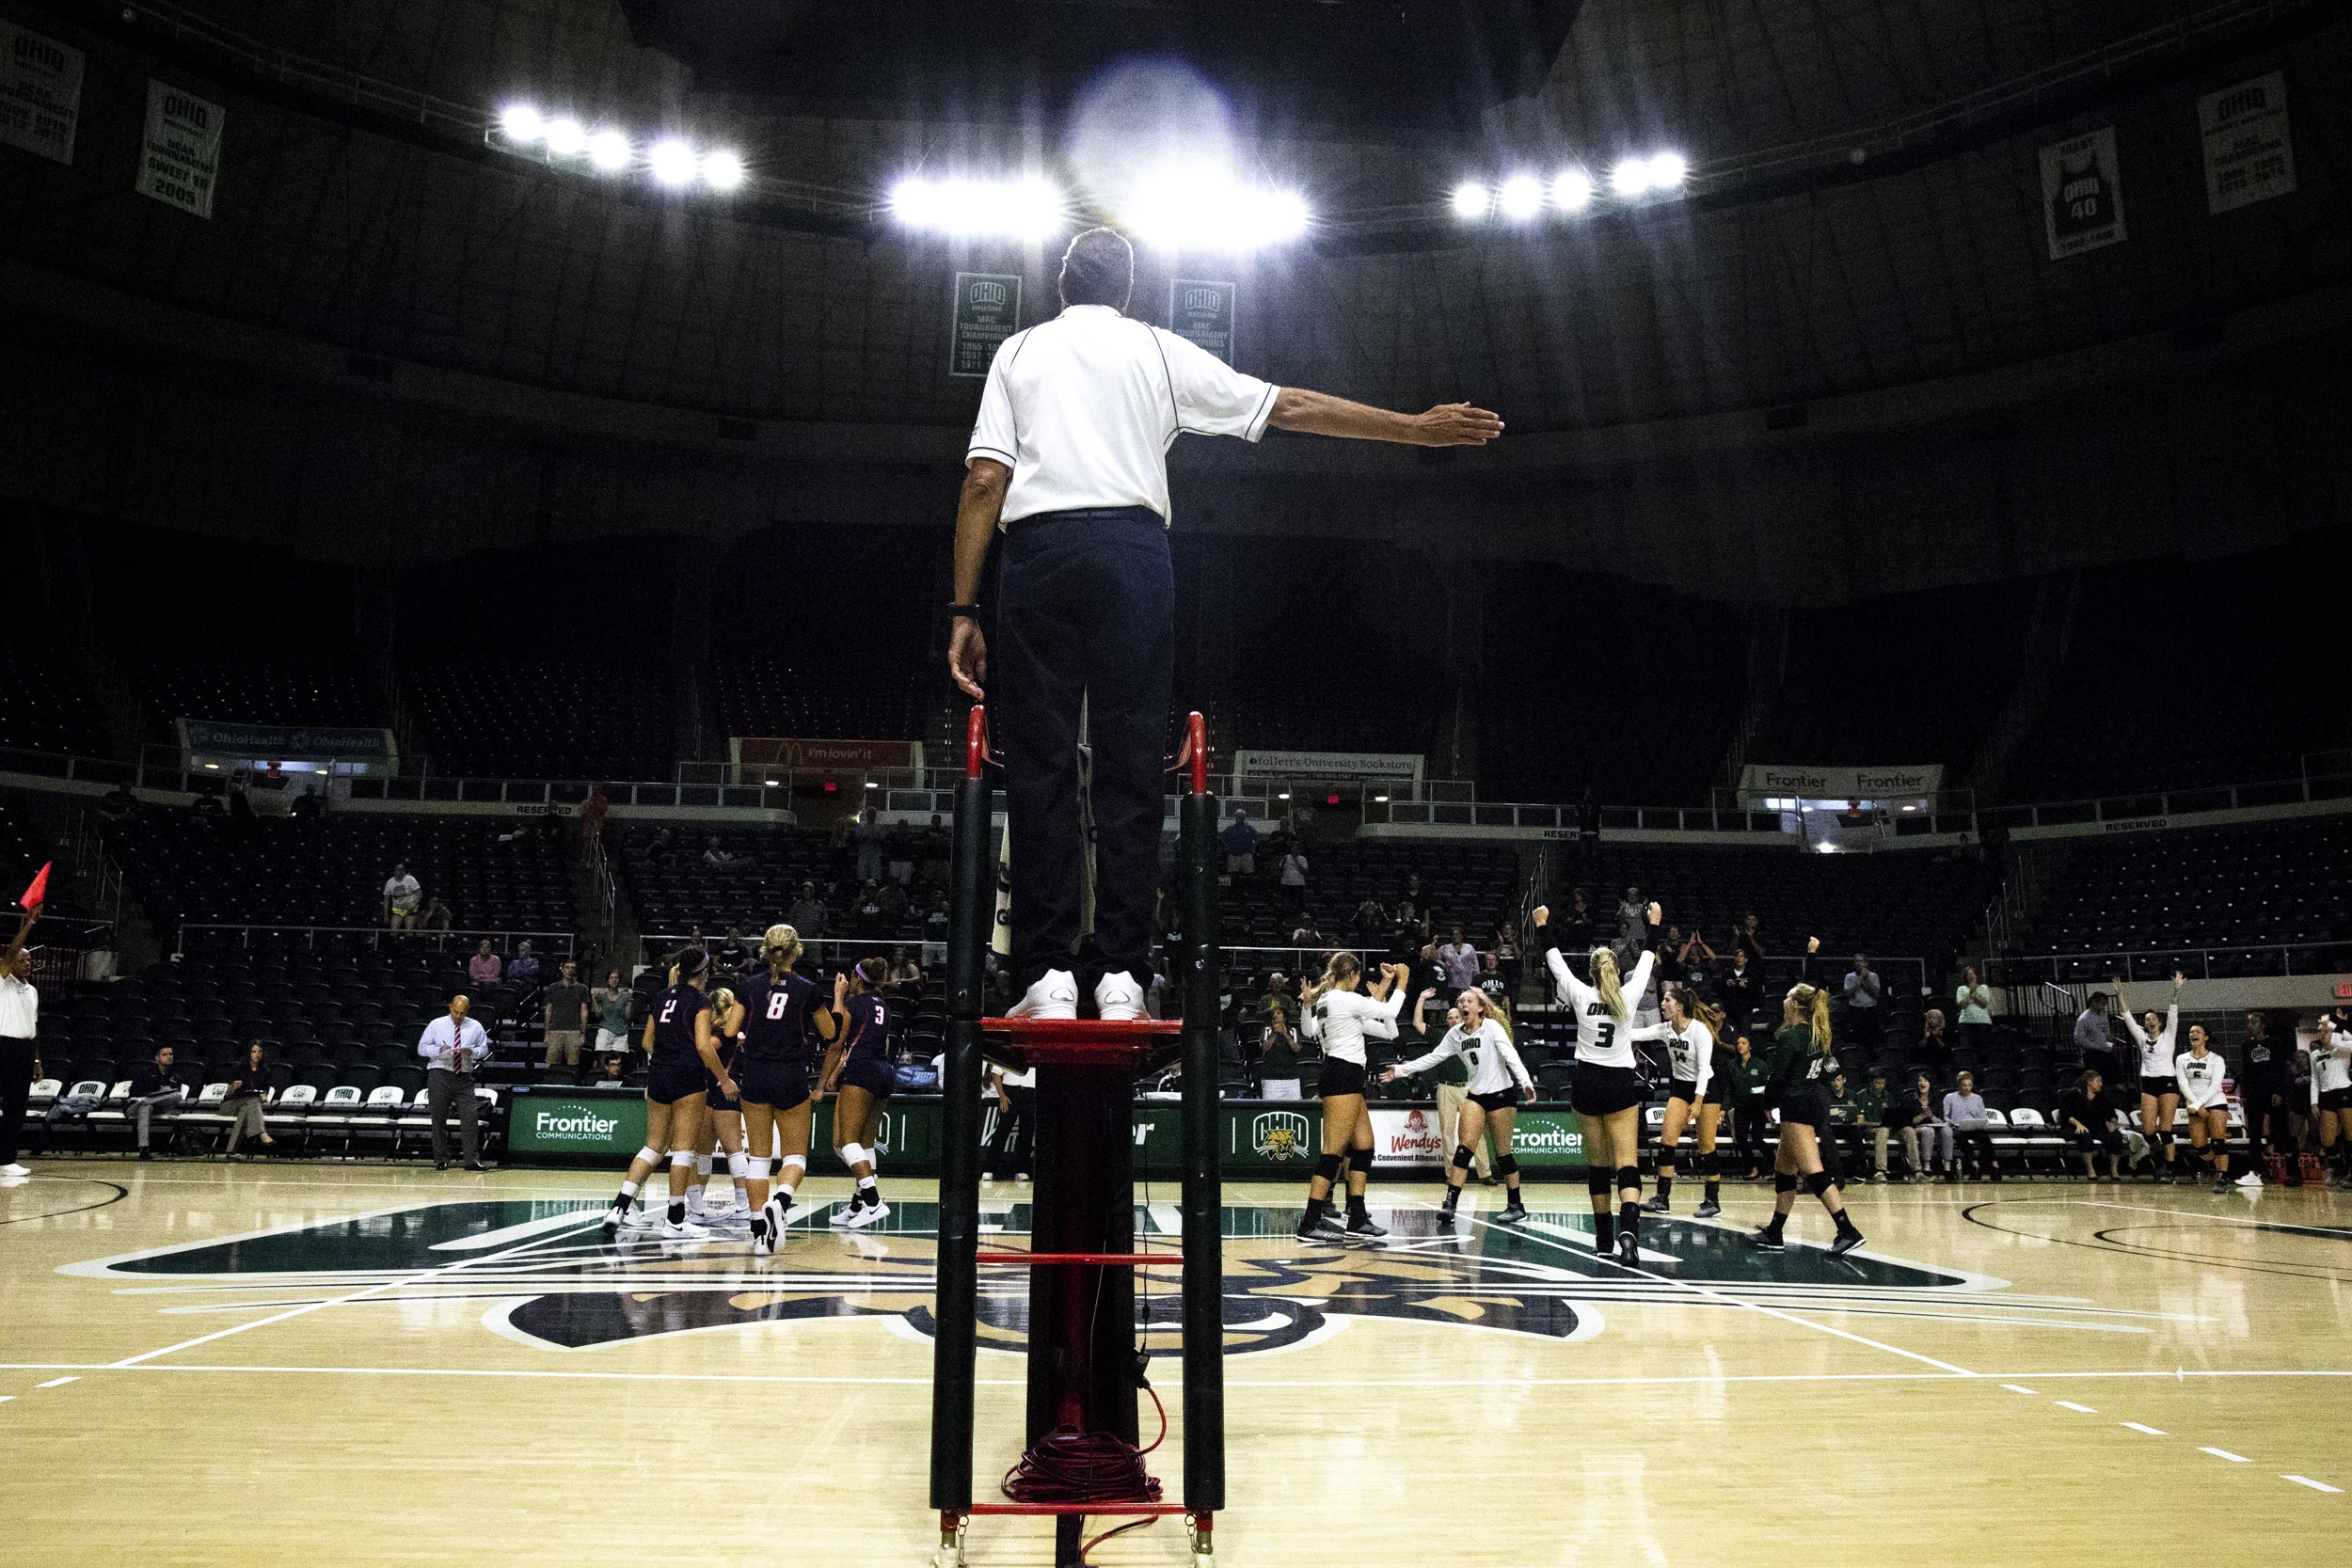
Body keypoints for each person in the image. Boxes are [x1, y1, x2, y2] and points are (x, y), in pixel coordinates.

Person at [946, 227, 1502, 1028]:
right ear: (1128, 291)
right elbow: (1292, 405)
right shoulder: (1161, 351)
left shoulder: (1019, 351)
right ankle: (1123, 978)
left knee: (1041, 769)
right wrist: (1412, 428)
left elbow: (984, 479)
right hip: (1136, 554)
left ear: (1061, 284)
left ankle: (1049, 976)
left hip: (1039, 553)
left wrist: (965, 608)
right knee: (1133, 767)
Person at [1534, 899, 1660, 1263]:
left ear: (1592, 973)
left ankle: (1603, 1239)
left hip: (1587, 1081)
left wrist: (1543, 925)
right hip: (1620, 1082)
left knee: (1598, 1166)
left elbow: (1555, 962)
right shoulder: (1629, 994)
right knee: (1627, 1164)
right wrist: (1653, 924)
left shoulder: (1580, 993)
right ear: (1616, 971)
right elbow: (1648, 959)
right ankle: (1629, 1232)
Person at [600, 946, 727, 1241]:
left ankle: (618, 1208)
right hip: (687, 1078)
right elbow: (704, 1046)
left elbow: (646, 1041)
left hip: (658, 1075)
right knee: (683, 1150)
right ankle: (675, 1219)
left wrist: (667, 1059)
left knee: (653, 1147)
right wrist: (725, 1079)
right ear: (704, 972)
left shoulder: (660, 997)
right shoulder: (701, 1001)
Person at [733, 924, 840, 1256]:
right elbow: (830, 1033)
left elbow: (732, 1028)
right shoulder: (808, 990)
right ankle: (779, 1202)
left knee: (759, 1159)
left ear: (765, 951)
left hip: (755, 1074)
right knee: (794, 1157)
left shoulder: (748, 986)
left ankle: (757, 1235)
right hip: (791, 1075)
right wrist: (837, 998)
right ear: (798, 950)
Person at [1384, 988, 1533, 1223]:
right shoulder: (1455, 1034)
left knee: (1503, 1155)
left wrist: (1525, 1082)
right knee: (1463, 1150)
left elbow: (1511, 1056)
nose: (1463, 1004)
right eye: (1460, 1001)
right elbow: (1433, 1057)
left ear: (1480, 1008)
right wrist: (1401, 1070)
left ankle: (1516, 1205)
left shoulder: (1491, 1028)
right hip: (1475, 1095)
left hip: (1501, 1094)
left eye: (1468, 1001)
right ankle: (1450, 1205)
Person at [1293, 954, 1412, 1242]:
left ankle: (1357, 1218)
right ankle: (1309, 1222)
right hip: (1342, 1074)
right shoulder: (1340, 1000)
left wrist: (1384, 985)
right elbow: (1390, 1012)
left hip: (1347, 1074)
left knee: (1363, 1146)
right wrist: (1402, 978)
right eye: (1359, 978)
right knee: (1333, 1152)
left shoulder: (1330, 1002)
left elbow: (1386, 1028)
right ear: (1353, 976)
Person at [1754, 986, 1867, 1256]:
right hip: (1811, 1103)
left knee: (1813, 1172)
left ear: (1794, 1004)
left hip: (1796, 1106)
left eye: (1787, 995)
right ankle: (1775, 1230)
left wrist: (1768, 1104)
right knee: (1784, 1169)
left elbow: (1778, 1077)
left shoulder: (1792, 1036)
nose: (1783, 999)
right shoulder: (1819, 1035)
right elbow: (1832, 1070)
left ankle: (1847, 1229)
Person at [817, 958, 898, 1229]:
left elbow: (836, 1044)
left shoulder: (853, 1005)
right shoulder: (884, 1006)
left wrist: (821, 1083)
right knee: (863, 1144)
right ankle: (858, 1205)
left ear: (856, 979)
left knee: (845, 1143)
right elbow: (881, 1041)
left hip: (862, 1071)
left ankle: (873, 1202)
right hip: (884, 1070)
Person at [1632, 990, 1726, 1217]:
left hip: (1707, 1089)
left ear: (1680, 1007)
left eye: (1667, 1000)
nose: (1662, 1004)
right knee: (1667, 1140)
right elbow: (1638, 1034)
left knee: (1706, 1145)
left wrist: (1698, 1102)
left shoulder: (1699, 1031)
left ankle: (1712, 1200)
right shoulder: (1666, 1029)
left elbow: (1704, 1070)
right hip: (1681, 1087)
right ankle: (1662, 1198)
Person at [1401, 989, 1490, 1184]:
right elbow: (1418, 1023)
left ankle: (1486, 1173)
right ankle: (1451, 1175)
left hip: (1468, 1087)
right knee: (1447, 1132)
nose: (1452, 1020)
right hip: (1446, 1088)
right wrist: (1421, 999)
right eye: (1449, 1018)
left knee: (1476, 1132)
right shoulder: (1440, 1036)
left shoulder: (1475, 1033)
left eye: (1455, 1017)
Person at [688, 984, 751, 1230]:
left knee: (724, 1150)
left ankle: (739, 1204)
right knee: (720, 1150)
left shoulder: (718, 1031)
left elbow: (706, 1048)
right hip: (723, 1089)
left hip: (721, 1088)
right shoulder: (738, 1028)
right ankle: (702, 1206)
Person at [2115, 972, 2186, 1183]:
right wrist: (2120, 995)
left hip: (2167, 1082)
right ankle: (2161, 1159)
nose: (2151, 1022)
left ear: (2160, 1022)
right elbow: (2127, 1016)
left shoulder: (2168, 1035)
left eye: (2154, 1019)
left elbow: (2173, 1012)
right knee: (2147, 1131)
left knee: (2165, 1129)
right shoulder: (2141, 1037)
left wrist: (2176, 991)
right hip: (2148, 1083)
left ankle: (2171, 1169)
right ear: (2145, 1025)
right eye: (2147, 1020)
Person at [417, 994, 491, 1172]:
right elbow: (421, 1048)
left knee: (470, 1118)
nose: (458, 1016)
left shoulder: (475, 1026)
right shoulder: (436, 1024)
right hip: (439, 1073)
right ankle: (441, 1158)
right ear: (450, 1007)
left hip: (464, 1076)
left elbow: (484, 1049)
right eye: (455, 1012)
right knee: (439, 1119)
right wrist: (438, 1049)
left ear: (467, 1011)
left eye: (462, 1013)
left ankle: (471, 1160)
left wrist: (471, 1051)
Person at [0, 908, 41, 1177]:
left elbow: (33, 1027)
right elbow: (10, 952)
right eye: (22, 960)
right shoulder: (2, 981)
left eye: (29, 961)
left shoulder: (33, 990)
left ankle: (6, 1161)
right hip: (3, 1047)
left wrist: (37, 1059)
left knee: (17, 1107)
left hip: (25, 1050)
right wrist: (27, 926)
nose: (27, 964)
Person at [2238, 1011, 2296, 1187]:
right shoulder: (2246, 1045)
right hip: (2255, 1094)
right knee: (2254, 1134)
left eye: (2254, 1022)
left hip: (2273, 1094)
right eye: (2249, 1023)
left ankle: (2294, 1172)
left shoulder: (2274, 1043)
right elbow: (2245, 1071)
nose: (2250, 1026)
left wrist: (2279, 1091)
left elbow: (2280, 1069)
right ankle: (2255, 1173)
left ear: (2263, 1024)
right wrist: (2244, 1094)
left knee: (2282, 1132)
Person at [2175, 1024, 2233, 1194]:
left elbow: (2216, 1085)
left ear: (2206, 1037)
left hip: (2215, 1101)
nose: (2194, 1034)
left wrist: (2201, 1102)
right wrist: (2196, 1104)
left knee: (2217, 1140)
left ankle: (2222, 1177)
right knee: (2199, 1144)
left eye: (2198, 1032)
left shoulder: (2216, 1059)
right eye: (2191, 1031)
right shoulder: (2182, 1059)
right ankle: (2215, 1165)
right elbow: (2183, 1084)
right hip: (2194, 1102)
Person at [2058, 1069, 2126, 1180]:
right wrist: (2078, 1124)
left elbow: (2112, 1115)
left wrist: (2112, 1123)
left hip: (2097, 1128)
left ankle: (2114, 1170)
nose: (2101, 1084)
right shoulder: (2072, 1095)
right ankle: (2090, 1170)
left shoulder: (2102, 1098)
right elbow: (2065, 1114)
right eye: (2098, 1081)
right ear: (2089, 1082)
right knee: (2085, 1136)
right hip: (2074, 1127)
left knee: (2116, 1136)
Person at [2312, 1008, 2352, 1189]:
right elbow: (2314, 1079)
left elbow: (2348, 1039)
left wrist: (2336, 1025)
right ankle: (2339, 1169)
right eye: (2320, 1031)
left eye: (2325, 1030)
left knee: (2351, 1136)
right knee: (2327, 1140)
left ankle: (2351, 1173)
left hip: (2344, 1091)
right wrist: (2314, 1101)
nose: (2322, 1033)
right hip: (2326, 1095)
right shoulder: (2314, 1054)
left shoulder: (2343, 1049)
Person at [1721, 1033, 1769, 1180]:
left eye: (1743, 1043)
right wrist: (1725, 1107)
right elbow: (1729, 1088)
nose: (1740, 1045)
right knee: (1740, 1138)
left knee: (1757, 1137)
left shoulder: (1760, 1064)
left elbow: (1768, 1085)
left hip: (1758, 1106)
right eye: (1738, 1043)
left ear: (1750, 1046)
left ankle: (1773, 1164)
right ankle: (1752, 1167)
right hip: (1741, 1106)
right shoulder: (1732, 1065)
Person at [126, 1042, 186, 1160]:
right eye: (165, 1054)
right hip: (135, 1107)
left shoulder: (175, 1076)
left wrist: (152, 1098)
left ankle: (148, 1100)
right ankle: (144, 1148)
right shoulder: (145, 1072)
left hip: (158, 1106)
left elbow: (172, 1097)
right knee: (146, 1107)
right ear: (157, 1058)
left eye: (171, 1054)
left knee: (178, 1095)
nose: (169, 1056)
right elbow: (133, 1094)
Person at [981, 1059, 1037, 1182]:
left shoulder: (1035, 1055)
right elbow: (996, 1075)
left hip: (1030, 1093)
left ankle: (1022, 1170)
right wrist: (1002, 1097)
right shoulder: (1009, 1054)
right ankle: (989, 1169)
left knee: (1027, 1133)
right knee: (1002, 1131)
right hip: (1011, 1093)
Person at [1943, 1070, 2001, 1181]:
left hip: (1974, 1127)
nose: (1967, 1088)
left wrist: (1979, 1122)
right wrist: (1953, 1123)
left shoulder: (1977, 1098)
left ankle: (1995, 1165)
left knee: (1984, 1137)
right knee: (1960, 1137)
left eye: (1969, 1085)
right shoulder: (1950, 1097)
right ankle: (1975, 1165)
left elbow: (1983, 1116)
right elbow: (1946, 1116)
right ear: (1959, 1085)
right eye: (1964, 1085)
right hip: (1958, 1127)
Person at [220, 1040, 275, 1157]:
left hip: (249, 1107)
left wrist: (263, 1098)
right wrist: (233, 1087)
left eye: (260, 1051)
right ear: (249, 1053)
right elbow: (228, 1094)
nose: (257, 1054)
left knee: (248, 1105)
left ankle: (230, 1151)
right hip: (230, 1105)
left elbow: (264, 1095)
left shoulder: (266, 1071)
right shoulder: (238, 1068)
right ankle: (262, 1133)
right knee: (251, 1101)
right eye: (254, 1051)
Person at [1890, 1072, 1948, 1180]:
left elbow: (1940, 1121)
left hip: (1932, 1128)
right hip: (1914, 1129)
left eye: (1925, 1081)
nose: (1922, 1083)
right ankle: (1926, 1164)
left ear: (1930, 1084)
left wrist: (1930, 1115)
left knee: (1935, 1130)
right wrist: (1923, 1116)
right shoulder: (1910, 1099)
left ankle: (1946, 1166)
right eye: (1920, 1081)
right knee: (1928, 1130)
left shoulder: (1936, 1101)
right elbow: (1907, 1122)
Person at [541, 960, 590, 1075]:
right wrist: (546, 1033)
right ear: (562, 970)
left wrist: (583, 1033)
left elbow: (584, 1012)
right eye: (567, 967)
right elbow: (548, 1011)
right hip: (555, 1030)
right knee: (551, 1063)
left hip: (574, 1031)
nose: (570, 970)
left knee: (573, 1064)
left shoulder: (582, 988)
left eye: (573, 968)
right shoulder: (553, 988)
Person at [1851, 1069, 1892, 1182]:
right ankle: (1880, 1170)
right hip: (1868, 1131)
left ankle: (1917, 1170)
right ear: (1871, 1082)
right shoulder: (1861, 1095)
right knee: (1882, 1130)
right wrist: (1879, 1124)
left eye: (1883, 1083)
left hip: (1888, 1129)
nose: (1880, 1086)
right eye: (1878, 1083)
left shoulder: (1888, 1096)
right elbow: (1860, 1122)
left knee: (1908, 1131)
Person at [1258, 1007, 1305, 1101]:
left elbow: (1297, 1049)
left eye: (1279, 1013)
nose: (1275, 1015)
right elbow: (1265, 1048)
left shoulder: (1293, 1031)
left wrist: (1285, 1034)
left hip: (1291, 1079)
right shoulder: (1267, 1031)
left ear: (1285, 1018)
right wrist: (1274, 1033)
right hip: (1271, 1079)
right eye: (1273, 1013)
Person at [2074, 990, 2121, 1082]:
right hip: (2092, 1054)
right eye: (2102, 1003)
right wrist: (2095, 1046)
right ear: (2094, 1002)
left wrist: (2110, 1039)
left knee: (2114, 1075)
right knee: (2097, 1078)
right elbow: (2078, 1038)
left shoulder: (2103, 1015)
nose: (2103, 1006)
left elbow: (2105, 1030)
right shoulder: (2084, 1019)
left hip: (2105, 1051)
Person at [1841, 954, 1883, 1051]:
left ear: (1866, 963)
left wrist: (1866, 980)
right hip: (1856, 1010)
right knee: (1856, 1038)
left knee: (1871, 1039)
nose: (1859, 964)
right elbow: (1848, 993)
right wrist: (1859, 982)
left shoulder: (1873, 976)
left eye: (1861, 961)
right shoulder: (1849, 976)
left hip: (1871, 1009)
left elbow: (1876, 993)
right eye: (1857, 961)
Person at [591, 970, 633, 1059]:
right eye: (611, 978)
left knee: (617, 1059)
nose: (614, 980)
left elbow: (628, 1016)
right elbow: (598, 1014)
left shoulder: (625, 996)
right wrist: (594, 1000)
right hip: (605, 1029)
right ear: (607, 981)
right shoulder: (602, 996)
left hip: (621, 1031)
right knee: (603, 1058)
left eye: (616, 978)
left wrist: (630, 1000)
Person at [1954, 967, 1994, 1058]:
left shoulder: (1984, 987)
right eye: (1968, 974)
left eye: (1973, 973)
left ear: (1976, 975)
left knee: (1982, 1050)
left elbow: (1984, 1003)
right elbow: (1962, 1004)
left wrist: (1974, 992)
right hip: (1966, 1022)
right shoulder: (1961, 989)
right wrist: (1970, 992)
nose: (1971, 976)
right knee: (1967, 1050)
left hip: (1983, 1022)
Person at [1437, 927, 1480, 992]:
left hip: (1467, 984)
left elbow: (1475, 964)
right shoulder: (1445, 948)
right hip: (1451, 984)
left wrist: (1477, 980)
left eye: (1457, 934)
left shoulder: (1469, 948)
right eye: (1453, 934)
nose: (1455, 936)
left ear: (1462, 936)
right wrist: (1444, 966)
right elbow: (1435, 958)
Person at [1221, 807, 1261, 876]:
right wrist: (1227, 848)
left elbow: (1258, 838)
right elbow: (1222, 839)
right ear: (1235, 817)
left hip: (1246, 855)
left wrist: (1253, 848)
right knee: (1233, 876)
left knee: (1249, 876)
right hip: (1233, 855)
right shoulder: (1230, 829)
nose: (1239, 817)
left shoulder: (1249, 828)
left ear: (1244, 817)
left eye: (1241, 816)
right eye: (1238, 816)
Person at [384, 862, 421, 931]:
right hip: (397, 911)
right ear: (394, 871)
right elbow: (387, 899)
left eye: (402, 870)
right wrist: (386, 915)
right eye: (398, 870)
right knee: (393, 931)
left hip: (411, 910)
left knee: (409, 930)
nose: (400, 872)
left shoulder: (410, 879)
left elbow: (419, 894)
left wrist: (414, 904)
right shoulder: (390, 882)